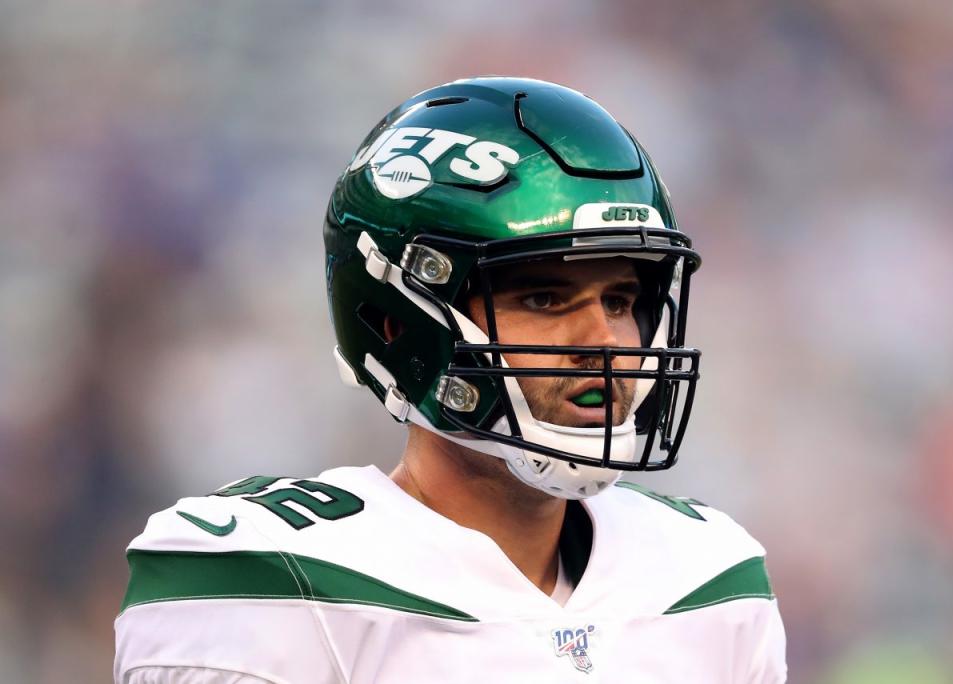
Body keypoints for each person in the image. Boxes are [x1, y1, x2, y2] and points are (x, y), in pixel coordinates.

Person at [114, 77, 787, 683]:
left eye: (619, 301)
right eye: (545, 300)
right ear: (398, 321)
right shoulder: (276, 582)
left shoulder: (706, 579)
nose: (603, 341)